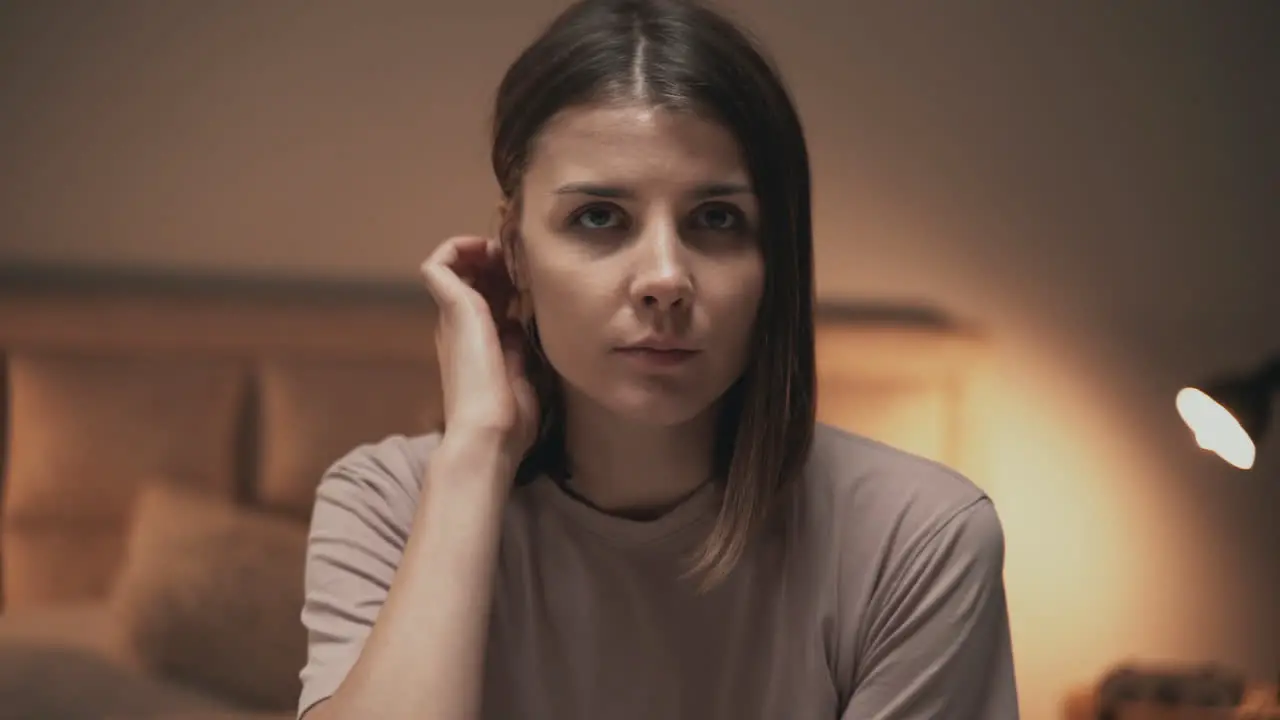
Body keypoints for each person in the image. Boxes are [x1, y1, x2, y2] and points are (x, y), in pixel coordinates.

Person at [296, 0, 1019, 718]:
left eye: (716, 219)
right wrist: (477, 452)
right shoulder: (386, 503)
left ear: (776, 259)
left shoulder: (919, 541)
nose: (666, 278)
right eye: (599, 217)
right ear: (516, 252)